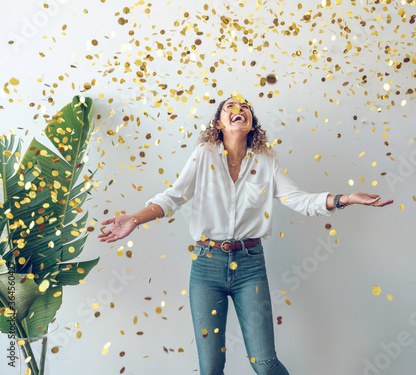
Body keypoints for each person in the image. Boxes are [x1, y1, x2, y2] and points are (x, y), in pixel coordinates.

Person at [98, 94, 393, 375]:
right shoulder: (203, 155)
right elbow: (173, 197)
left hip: (250, 266)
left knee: (264, 363)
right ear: (219, 123)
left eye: (245, 107)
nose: (239, 109)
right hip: (206, 266)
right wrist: (134, 219)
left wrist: (345, 198)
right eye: (230, 107)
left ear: (251, 123)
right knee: (211, 367)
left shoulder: (266, 161)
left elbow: (299, 200)